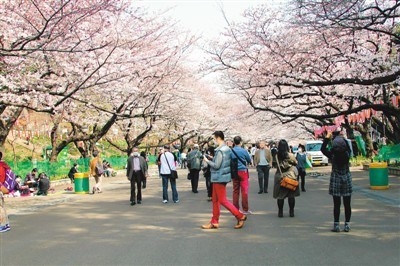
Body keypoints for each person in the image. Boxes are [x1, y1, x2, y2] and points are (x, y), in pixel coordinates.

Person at [201, 131, 247, 230]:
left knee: (222, 200)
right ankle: (214, 221)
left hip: (218, 177)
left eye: (214, 138)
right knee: (215, 200)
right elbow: (222, 162)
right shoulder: (227, 149)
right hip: (222, 176)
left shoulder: (220, 150)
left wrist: (207, 160)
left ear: (218, 138)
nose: (213, 140)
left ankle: (240, 216)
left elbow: (217, 166)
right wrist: (213, 158)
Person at [321, 130, 353, 233]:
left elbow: (322, 149)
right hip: (346, 178)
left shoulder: (332, 155)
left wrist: (327, 138)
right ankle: (347, 225)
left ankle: (336, 225)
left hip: (336, 179)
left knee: (337, 204)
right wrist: (342, 137)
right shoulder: (347, 154)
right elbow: (348, 146)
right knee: (347, 204)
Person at [272, 139, 300, 218]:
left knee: (280, 196)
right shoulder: (290, 155)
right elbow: (296, 162)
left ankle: (280, 212)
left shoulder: (276, 156)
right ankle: (291, 211)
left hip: (280, 177)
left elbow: (274, 165)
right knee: (291, 195)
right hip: (290, 176)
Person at [231, 136, 252, 214]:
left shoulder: (231, 151)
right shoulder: (244, 151)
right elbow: (249, 160)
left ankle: (235, 208)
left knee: (235, 191)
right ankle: (245, 209)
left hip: (234, 172)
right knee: (244, 191)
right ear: (241, 142)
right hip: (243, 172)